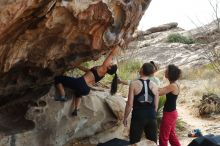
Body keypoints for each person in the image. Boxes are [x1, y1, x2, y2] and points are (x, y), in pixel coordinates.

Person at [54, 47, 119, 116]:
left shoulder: (103, 67)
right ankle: (76, 109)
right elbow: (89, 72)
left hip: (80, 83)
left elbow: (111, 55)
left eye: (111, 64)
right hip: (86, 90)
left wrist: (118, 45)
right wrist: (78, 66)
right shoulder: (103, 74)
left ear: (109, 67)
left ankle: (62, 96)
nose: (111, 62)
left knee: (58, 78)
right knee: (78, 93)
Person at [123, 63, 159, 145]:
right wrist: (152, 115)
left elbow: (129, 104)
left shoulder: (134, 84)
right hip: (151, 116)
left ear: (142, 70)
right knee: (153, 142)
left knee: (134, 142)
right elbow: (156, 106)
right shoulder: (155, 86)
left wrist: (125, 118)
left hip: (138, 116)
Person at [159, 64, 182, 146]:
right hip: (172, 113)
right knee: (171, 136)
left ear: (170, 74)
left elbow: (159, 92)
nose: (165, 71)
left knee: (163, 137)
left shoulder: (172, 86)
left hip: (169, 114)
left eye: (167, 70)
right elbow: (162, 89)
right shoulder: (174, 84)